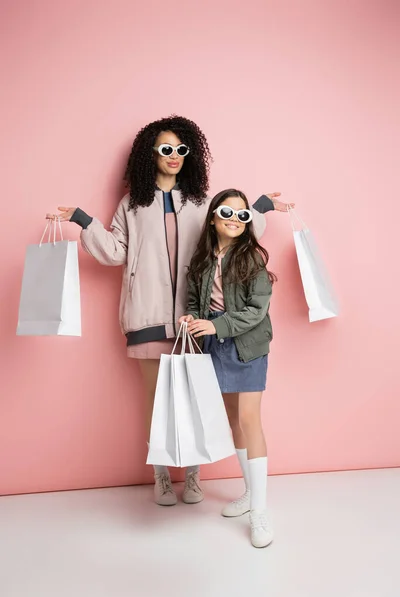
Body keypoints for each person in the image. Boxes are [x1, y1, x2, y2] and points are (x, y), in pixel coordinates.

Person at [47, 115, 293, 509]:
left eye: (181, 149)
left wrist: (260, 206)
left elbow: (231, 229)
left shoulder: (199, 200)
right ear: (151, 154)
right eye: (166, 149)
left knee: (195, 398)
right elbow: (114, 251)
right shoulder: (132, 204)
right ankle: (160, 476)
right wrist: (82, 219)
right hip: (146, 314)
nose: (175, 156)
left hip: (195, 321)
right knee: (154, 399)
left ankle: (192, 476)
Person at [179, 189, 276, 548]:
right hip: (215, 346)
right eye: (227, 212)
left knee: (250, 420)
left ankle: (260, 511)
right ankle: (250, 493)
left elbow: (257, 311)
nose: (235, 219)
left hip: (248, 346)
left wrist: (217, 326)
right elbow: (194, 300)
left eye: (242, 215)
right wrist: (193, 317)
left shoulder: (251, 259)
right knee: (233, 419)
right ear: (213, 217)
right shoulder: (203, 258)